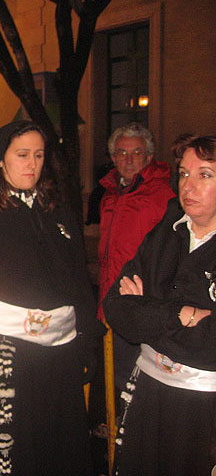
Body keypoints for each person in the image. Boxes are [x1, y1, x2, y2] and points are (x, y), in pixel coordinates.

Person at [0, 120, 104, 476]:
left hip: (59, 355)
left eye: (39, 155)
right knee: (11, 450)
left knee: (56, 447)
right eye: (22, 155)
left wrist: (87, 341)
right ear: (1, 159)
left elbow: (78, 279)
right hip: (5, 353)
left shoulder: (57, 208)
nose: (32, 164)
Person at [104, 134, 216, 475]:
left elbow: (210, 344)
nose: (189, 185)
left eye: (205, 174)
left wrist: (148, 313)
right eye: (183, 173)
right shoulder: (167, 232)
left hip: (204, 409)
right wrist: (179, 314)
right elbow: (116, 307)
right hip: (150, 394)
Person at [97, 122, 176, 393]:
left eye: (136, 153)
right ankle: (114, 429)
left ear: (150, 157)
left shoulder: (164, 194)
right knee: (113, 376)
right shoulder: (111, 193)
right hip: (110, 299)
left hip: (141, 303)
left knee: (133, 382)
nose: (128, 160)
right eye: (121, 153)